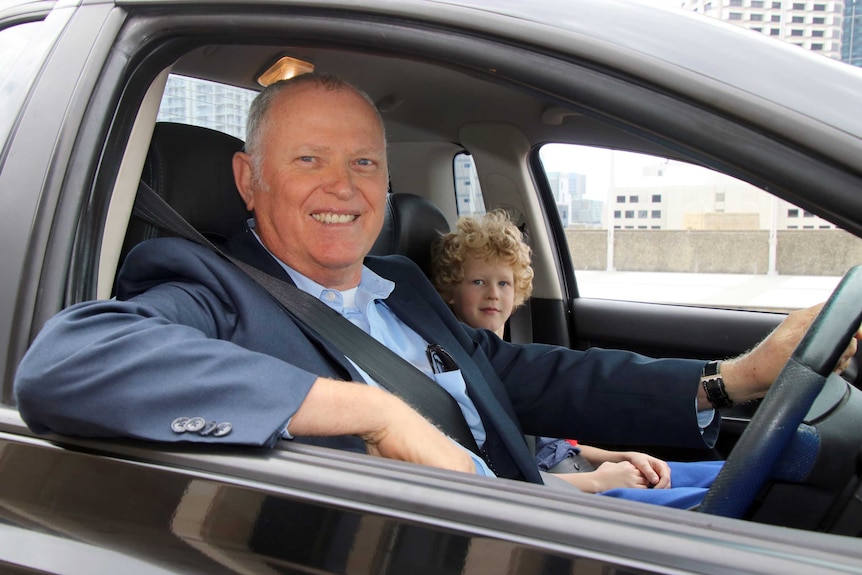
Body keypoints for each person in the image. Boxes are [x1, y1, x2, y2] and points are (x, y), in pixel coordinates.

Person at [13, 73, 859, 487]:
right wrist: (377, 413)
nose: (342, 187)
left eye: (364, 163)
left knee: (796, 474)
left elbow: (523, 376)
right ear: (247, 181)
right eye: (308, 160)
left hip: (533, 517)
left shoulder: (402, 285)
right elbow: (67, 363)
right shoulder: (205, 285)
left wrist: (735, 376)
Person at [431, 211, 723, 507]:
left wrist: (620, 457)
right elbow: (494, 477)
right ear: (451, 290)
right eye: (478, 282)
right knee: (721, 504)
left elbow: (555, 448)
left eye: (504, 283)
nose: (493, 294)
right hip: (562, 495)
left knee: (734, 475)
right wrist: (598, 482)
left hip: (580, 472)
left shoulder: (519, 361)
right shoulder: (453, 373)